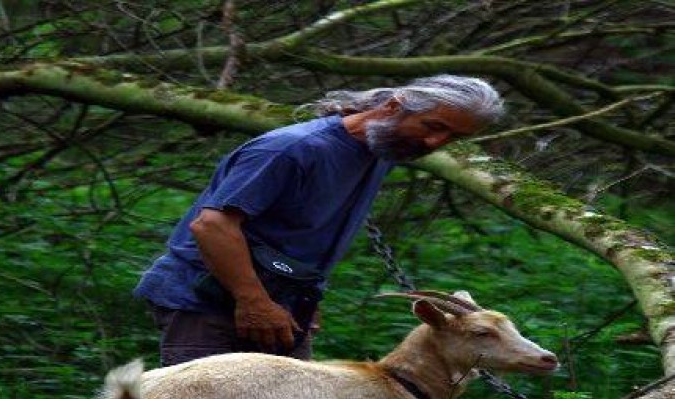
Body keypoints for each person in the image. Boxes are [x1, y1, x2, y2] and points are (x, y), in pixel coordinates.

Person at [134, 74, 504, 367]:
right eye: (432, 126)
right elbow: (212, 226)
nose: (436, 142)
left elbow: (298, 234)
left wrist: (303, 297)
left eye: (453, 137)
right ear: (394, 106)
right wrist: (255, 303)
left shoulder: (382, 151)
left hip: (281, 306)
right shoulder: (292, 149)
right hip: (207, 302)